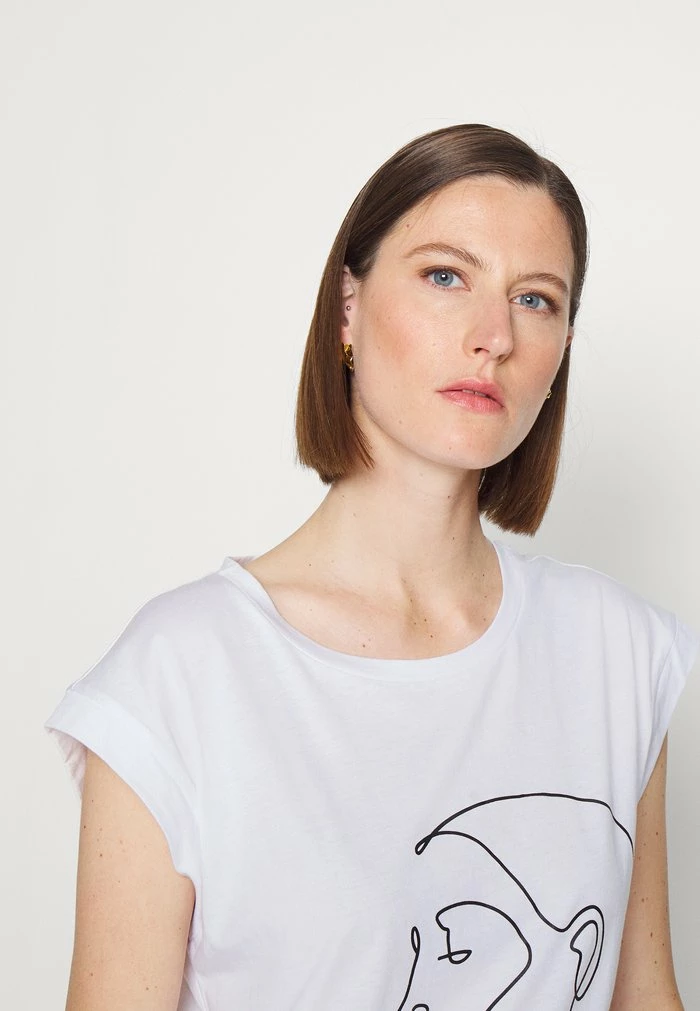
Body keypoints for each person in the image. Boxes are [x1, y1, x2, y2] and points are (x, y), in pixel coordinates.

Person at [45, 123, 699, 1011]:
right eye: (445, 277)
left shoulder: (617, 653)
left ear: (562, 352)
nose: (494, 336)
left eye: (536, 299)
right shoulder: (179, 675)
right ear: (347, 308)